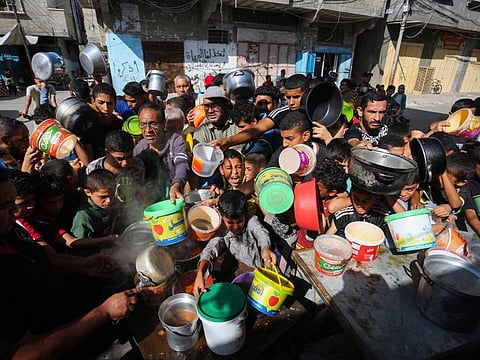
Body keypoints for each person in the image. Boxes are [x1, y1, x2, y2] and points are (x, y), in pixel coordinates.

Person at [0, 169, 144, 360]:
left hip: (76, 318)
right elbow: (22, 355)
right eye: (8, 205)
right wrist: (104, 312)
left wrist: (83, 264)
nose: (15, 211)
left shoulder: (12, 229)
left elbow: (46, 259)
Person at [193, 190, 276, 296]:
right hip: (233, 264)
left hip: (253, 269)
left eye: (240, 221)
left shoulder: (252, 221)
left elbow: (261, 233)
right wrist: (200, 272)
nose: (236, 227)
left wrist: (266, 248)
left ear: (245, 214)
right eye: (230, 223)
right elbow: (211, 248)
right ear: (222, 217)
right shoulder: (221, 228)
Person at [134, 103, 189, 203]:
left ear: (164, 123)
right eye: (143, 124)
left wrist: (176, 185)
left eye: (153, 124)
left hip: (175, 198)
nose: (148, 130)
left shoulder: (175, 141)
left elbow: (182, 164)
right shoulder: (139, 149)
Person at [326, 185, 392, 240]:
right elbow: (327, 237)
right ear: (351, 197)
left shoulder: (380, 215)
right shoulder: (344, 215)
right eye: (356, 199)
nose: (360, 205)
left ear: (375, 199)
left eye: (366, 201)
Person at [71, 169, 118, 239]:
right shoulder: (83, 216)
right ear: (88, 192)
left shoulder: (112, 203)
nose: (109, 200)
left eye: (112, 195)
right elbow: (79, 244)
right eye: (103, 197)